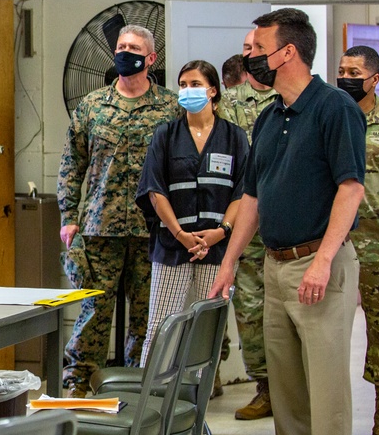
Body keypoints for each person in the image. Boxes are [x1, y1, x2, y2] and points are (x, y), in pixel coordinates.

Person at [210, 8, 365, 435]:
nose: (249, 54)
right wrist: (228, 262)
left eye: (257, 46)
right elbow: (251, 196)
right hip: (274, 268)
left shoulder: (335, 109)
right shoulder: (269, 116)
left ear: (287, 53)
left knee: (327, 398)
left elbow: (350, 188)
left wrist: (323, 258)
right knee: (290, 395)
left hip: (317, 267)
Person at [58, 25, 179, 397]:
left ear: (151, 58)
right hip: (99, 228)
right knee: (93, 312)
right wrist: (69, 218)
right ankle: (78, 384)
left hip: (152, 230)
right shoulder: (92, 105)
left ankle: (139, 388)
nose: (126, 52)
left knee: (147, 318)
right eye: (121, 46)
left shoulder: (170, 108)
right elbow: (71, 165)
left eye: (135, 48)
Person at [136, 60, 249, 366]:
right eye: (183, 84)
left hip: (217, 248)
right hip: (173, 246)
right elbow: (155, 190)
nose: (188, 90)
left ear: (213, 91)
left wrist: (221, 231)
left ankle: (196, 401)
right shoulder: (166, 135)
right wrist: (180, 235)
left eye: (195, 84)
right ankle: (153, 400)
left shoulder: (234, 137)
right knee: (161, 327)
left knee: (206, 331)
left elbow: (244, 192)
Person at [338, 45, 379, 435]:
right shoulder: (330, 117)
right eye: (341, 69)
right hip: (333, 244)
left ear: (374, 78)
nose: (345, 77)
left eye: (354, 71)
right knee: (325, 334)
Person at [217, 29, 279, 420]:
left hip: (288, 226)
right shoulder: (227, 103)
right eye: (246, 49)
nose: (251, 54)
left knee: (294, 315)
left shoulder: (293, 100)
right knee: (250, 313)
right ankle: (265, 388)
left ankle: (295, 390)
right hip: (244, 226)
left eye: (257, 48)